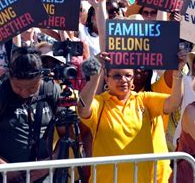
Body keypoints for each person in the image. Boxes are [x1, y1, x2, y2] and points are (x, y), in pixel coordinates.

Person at [77, 53, 184, 183]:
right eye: (117, 76)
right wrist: (95, 75)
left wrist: (177, 72)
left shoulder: (143, 99)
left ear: (133, 79)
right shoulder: (100, 103)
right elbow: (82, 108)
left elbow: (174, 102)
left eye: (128, 75)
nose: (123, 80)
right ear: (106, 78)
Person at [0, 47, 61, 183]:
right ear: (9, 76)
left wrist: (51, 163)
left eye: (31, 88)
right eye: (17, 87)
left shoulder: (50, 89)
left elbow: (67, 134)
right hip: (4, 178)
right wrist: (5, 168)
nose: (24, 93)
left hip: (44, 177)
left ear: (41, 77)